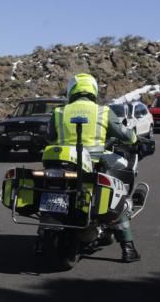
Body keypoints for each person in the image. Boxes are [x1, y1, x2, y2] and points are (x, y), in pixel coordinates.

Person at [45, 73, 141, 263]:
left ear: (71, 90)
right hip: (96, 163)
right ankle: (128, 247)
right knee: (117, 190)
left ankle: (44, 238)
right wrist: (135, 138)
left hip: (63, 164)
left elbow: (49, 137)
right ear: (93, 90)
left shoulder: (59, 112)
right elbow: (126, 135)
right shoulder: (103, 111)